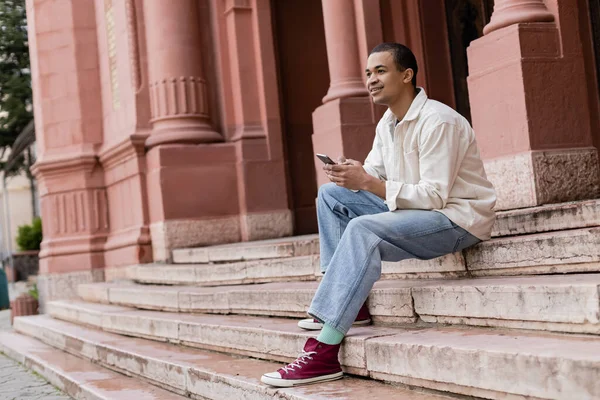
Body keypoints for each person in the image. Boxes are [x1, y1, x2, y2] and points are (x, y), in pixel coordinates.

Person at [261, 42, 496, 388]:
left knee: (362, 229)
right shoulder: (388, 123)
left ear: (407, 75)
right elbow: (373, 174)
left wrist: (369, 182)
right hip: (418, 212)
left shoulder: (438, 121)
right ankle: (352, 306)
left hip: (457, 219)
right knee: (331, 195)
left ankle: (322, 354)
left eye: (380, 71)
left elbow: (433, 196)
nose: (370, 79)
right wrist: (352, 174)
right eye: (368, 73)